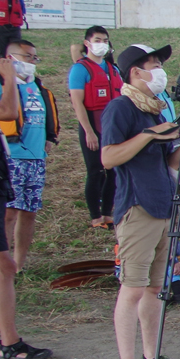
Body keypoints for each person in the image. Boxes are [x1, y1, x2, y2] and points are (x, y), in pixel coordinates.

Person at [101, 43, 180, 359]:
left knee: (154, 288)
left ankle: (151, 356)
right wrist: (150, 134)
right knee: (133, 288)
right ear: (135, 71)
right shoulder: (120, 108)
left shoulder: (156, 109)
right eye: (154, 64)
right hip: (137, 207)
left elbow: (170, 162)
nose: (160, 71)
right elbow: (108, 158)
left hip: (163, 204)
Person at [0, 39, 57, 273]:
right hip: (10, 157)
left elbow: (45, 114)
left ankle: (18, 264)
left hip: (36, 157)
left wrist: (48, 137)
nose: (33, 62)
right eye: (28, 57)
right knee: (9, 212)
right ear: (11, 58)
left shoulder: (36, 85)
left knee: (29, 212)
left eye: (35, 57)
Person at [67, 26, 121, 229]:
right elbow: (77, 102)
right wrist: (89, 131)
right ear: (87, 43)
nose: (102, 44)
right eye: (97, 40)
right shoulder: (80, 69)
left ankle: (108, 213)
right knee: (95, 171)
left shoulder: (112, 69)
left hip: (112, 126)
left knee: (113, 170)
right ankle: (95, 216)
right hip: (93, 124)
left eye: (105, 40)